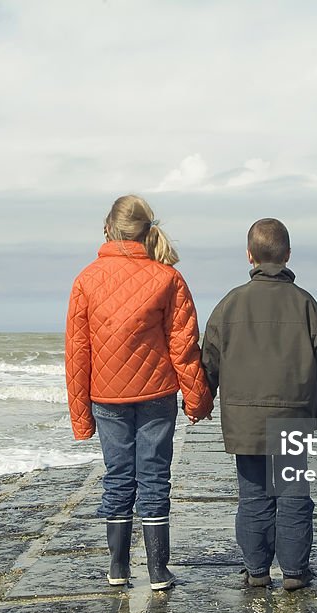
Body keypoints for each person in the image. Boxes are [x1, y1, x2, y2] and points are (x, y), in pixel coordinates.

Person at [66, 194, 213, 591]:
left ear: (107, 229)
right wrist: (197, 399)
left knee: (118, 476)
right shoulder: (168, 278)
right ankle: (158, 570)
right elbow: (183, 346)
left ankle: (117, 567)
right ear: (147, 231)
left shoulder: (86, 279)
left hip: (107, 396)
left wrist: (81, 419)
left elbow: (78, 354)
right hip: (157, 394)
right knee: (154, 478)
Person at [201, 218, 317, 591]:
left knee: (253, 495)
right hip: (294, 413)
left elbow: (208, 359)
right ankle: (294, 572)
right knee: (293, 493)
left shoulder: (230, 303)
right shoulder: (306, 303)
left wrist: (201, 400)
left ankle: (257, 570)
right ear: (288, 254)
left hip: (245, 416)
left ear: (250, 255)